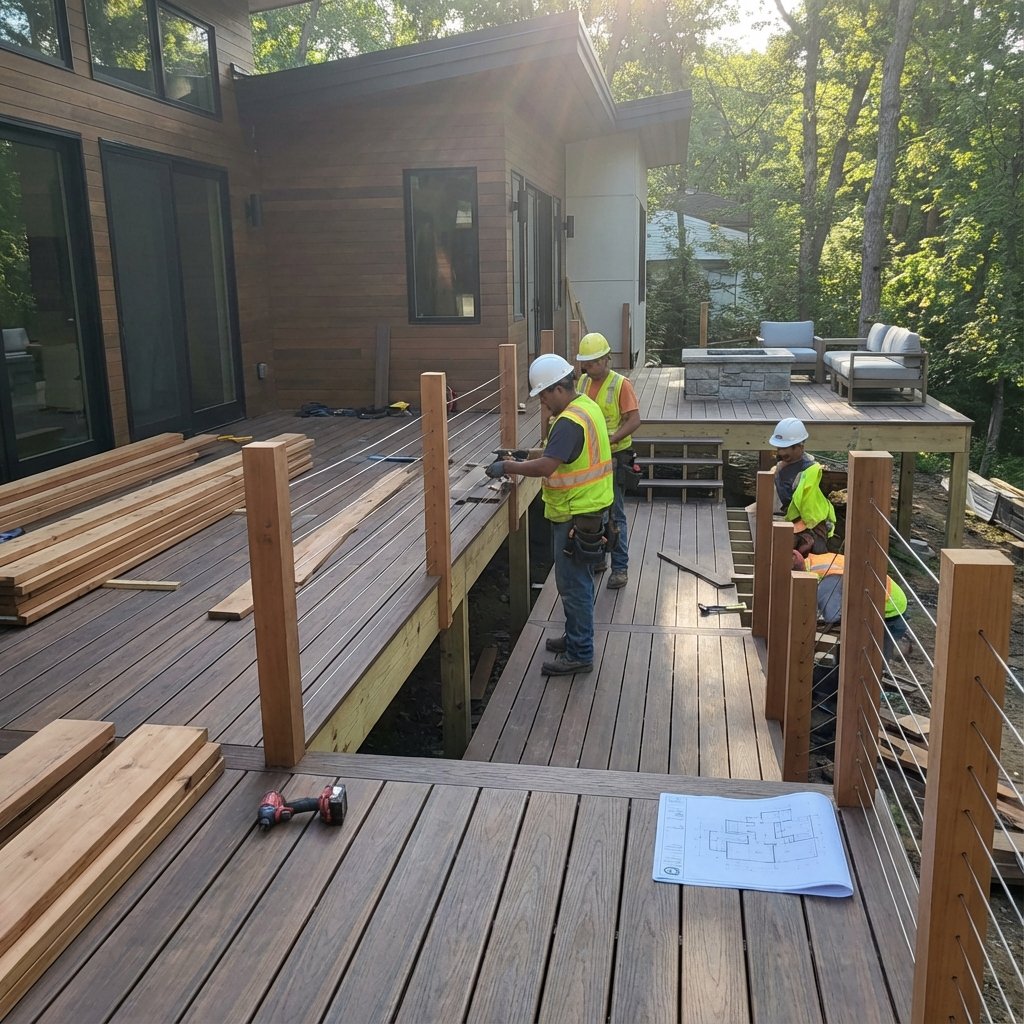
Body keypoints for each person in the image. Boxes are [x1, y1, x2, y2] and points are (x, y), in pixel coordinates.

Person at [487, 353, 613, 676]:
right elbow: (561, 454)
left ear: (558, 388)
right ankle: (574, 639)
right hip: (588, 511)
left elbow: (548, 465)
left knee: (574, 586)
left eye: (543, 394)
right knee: (576, 582)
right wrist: (523, 453)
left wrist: (507, 466)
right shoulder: (586, 407)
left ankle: (581, 652)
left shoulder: (569, 422)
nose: (542, 402)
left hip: (576, 514)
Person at [575, 332, 642, 590]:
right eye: (585, 363)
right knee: (594, 510)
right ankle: (599, 559)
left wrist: (611, 439)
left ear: (606, 359)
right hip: (590, 458)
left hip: (613, 457)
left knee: (616, 514)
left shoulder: (620, 384)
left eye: (592, 363)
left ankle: (620, 567)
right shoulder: (581, 382)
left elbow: (634, 420)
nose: (587, 368)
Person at [797, 550, 911, 660]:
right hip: (887, 596)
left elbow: (832, 615)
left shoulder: (825, 578)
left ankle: (895, 653)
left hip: (889, 607)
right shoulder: (814, 562)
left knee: (874, 658)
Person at [767, 417, 836, 555]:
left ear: (800, 447)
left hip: (808, 526)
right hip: (786, 519)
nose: (781, 453)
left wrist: (785, 531)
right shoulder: (780, 467)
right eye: (779, 448)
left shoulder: (808, 473)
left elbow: (809, 517)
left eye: (785, 448)